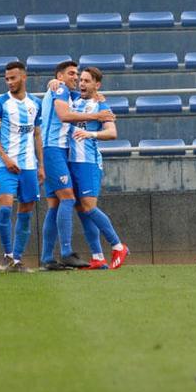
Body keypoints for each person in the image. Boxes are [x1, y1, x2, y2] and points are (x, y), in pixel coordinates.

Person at [39, 61, 115, 271]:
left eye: (78, 75)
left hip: (56, 150)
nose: (76, 78)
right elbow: (64, 116)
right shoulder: (61, 89)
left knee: (54, 205)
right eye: (72, 74)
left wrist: (99, 99)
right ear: (60, 76)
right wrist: (97, 116)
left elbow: (86, 98)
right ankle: (66, 252)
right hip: (55, 149)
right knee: (69, 199)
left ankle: (47, 258)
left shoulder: (65, 92)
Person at [67, 67, 129, 269]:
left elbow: (112, 133)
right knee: (81, 210)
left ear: (97, 85)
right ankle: (97, 256)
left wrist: (90, 135)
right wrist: (55, 83)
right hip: (71, 161)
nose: (82, 83)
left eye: (86, 81)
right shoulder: (74, 100)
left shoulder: (101, 105)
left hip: (89, 162)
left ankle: (118, 245)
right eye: (81, 80)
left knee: (89, 207)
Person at [0, 61, 42, 273]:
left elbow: (37, 134)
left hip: (29, 166)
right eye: (7, 79)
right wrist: (5, 158)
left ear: (24, 77)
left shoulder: (35, 103)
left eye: (13, 78)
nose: (9, 82)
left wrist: (41, 166)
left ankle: (17, 259)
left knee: (26, 211)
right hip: (6, 165)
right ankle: (7, 255)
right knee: (5, 208)